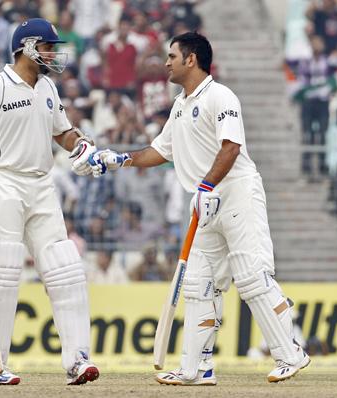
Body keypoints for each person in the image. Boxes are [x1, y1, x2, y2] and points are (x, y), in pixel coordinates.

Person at [85, 32, 310, 385]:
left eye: (172, 55)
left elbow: (231, 147)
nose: (166, 62)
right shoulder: (180, 104)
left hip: (236, 192)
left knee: (251, 277)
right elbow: (160, 151)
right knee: (199, 285)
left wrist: (207, 186)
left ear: (191, 59)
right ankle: (196, 368)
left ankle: (290, 353)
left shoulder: (221, 96)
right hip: (205, 204)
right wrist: (120, 159)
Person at [0, 18, 99, 386]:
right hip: (1, 183)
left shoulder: (48, 87)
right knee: (4, 271)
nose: (53, 53)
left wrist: (80, 144)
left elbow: (62, 132)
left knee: (65, 266)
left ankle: (78, 360)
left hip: (41, 183)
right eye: (48, 46)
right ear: (28, 47)